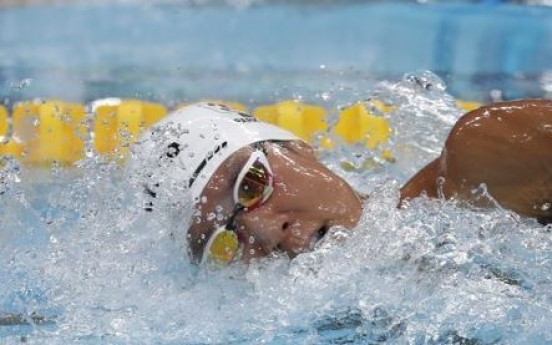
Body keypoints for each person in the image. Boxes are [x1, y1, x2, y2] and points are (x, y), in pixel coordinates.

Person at [131, 99, 552, 267]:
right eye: (223, 241)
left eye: (251, 182)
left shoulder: (490, 154)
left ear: (298, 148)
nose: (260, 231)